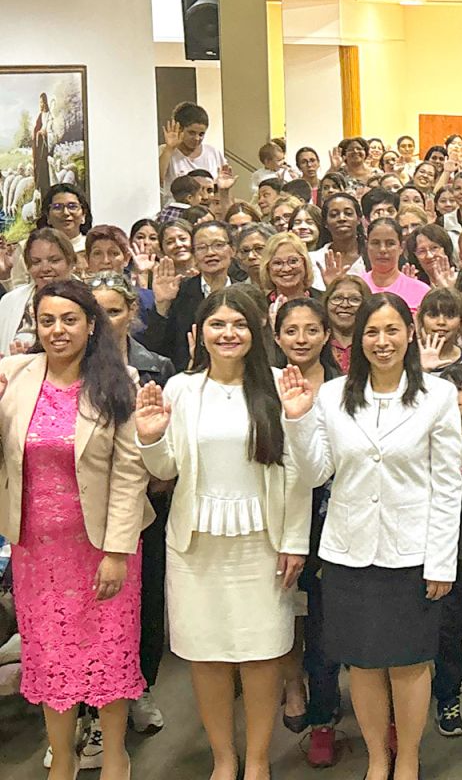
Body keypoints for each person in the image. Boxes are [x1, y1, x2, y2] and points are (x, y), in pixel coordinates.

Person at [281, 292, 462, 780]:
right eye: (372, 333)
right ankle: (378, 759)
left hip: (413, 552)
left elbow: (447, 486)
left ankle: (407, 759)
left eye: (392, 330)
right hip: (349, 551)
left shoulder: (439, 396)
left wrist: (442, 562)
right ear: (357, 340)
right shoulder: (332, 396)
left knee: (409, 664)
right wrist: (297, 420)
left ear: (410, 334)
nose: (382, 342)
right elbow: (317, 471)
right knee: (361, 664)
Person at [134, 285, 310, 780]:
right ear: (199, 333)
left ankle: (256, 761)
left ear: (256, 332)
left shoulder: (280, 384)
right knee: (205, 653)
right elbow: (165, 470)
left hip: (263, 542)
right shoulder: (181, 389)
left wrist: (295, 539)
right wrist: (149, 438)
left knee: (261, 653)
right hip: (196, 545)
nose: (228, 333)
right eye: (217, 324)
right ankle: (223, 760)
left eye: (239, 324)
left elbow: (296, 471)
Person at [0, 279, 151, 780]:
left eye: (69, 320)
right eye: (47, 321)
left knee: (108, 661)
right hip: (36, 552)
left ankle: (114, 756)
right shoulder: (15, 377)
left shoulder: (117, 380)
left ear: (91, 325)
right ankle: (60, 759)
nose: (58, 330)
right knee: (49, 660)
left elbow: (132, 473)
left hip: (103, 549)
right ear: (35, 325)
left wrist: (116, 551)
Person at [89, 272, 176, 741]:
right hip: (86, 504)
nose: (105, 321)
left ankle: (139, 684)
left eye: (115, 311)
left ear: (132, 314)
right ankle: (86, 705)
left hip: (146, 502)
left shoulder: (156, 366)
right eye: (95, 312)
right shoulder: (70, 368)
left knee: (144, 599)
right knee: (92, 606)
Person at [271, 298, 344, 769]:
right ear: (276, 337)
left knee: (330, 619)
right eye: (291, 330)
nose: (301, 338)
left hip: (338, 513)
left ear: (326, 335)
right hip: (283, 515)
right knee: (293, 616)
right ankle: (319, 715)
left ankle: (345, 707)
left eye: (311, 329)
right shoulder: (262, 387)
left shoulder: (343, 388)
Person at [140, 220, 240, 371]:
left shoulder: (245, 293)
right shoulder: (179, 292)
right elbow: (156, 348)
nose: (210, 253)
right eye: (201, 248)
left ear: (232, 249)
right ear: (194, 254)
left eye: (218, 245)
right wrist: (162, 305)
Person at [0, 228, 78, 355]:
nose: (45, 268)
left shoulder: (89, 299)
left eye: (54, 260)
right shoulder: (9, 301)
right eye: (36, 262)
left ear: (71, 261)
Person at [361, 218, 430, 312]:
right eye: (375, 243)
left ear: (401, 247)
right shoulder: (356, 287)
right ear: (366, 245)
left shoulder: (422, 291)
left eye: (390, 244)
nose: (382, 250)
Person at [159, 103, 226, 193]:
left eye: (201, 134)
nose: (197, 138)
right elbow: (157, 180)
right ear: (179, 129)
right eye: (191, 133)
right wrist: (169, 148)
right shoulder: (165, 151)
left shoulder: (213, 153)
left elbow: (221, 188)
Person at [322, 274, 371, 374]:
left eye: (355, 299)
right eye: (337, 298)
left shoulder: (373, 344)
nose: (345, 305)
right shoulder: (316, 344)